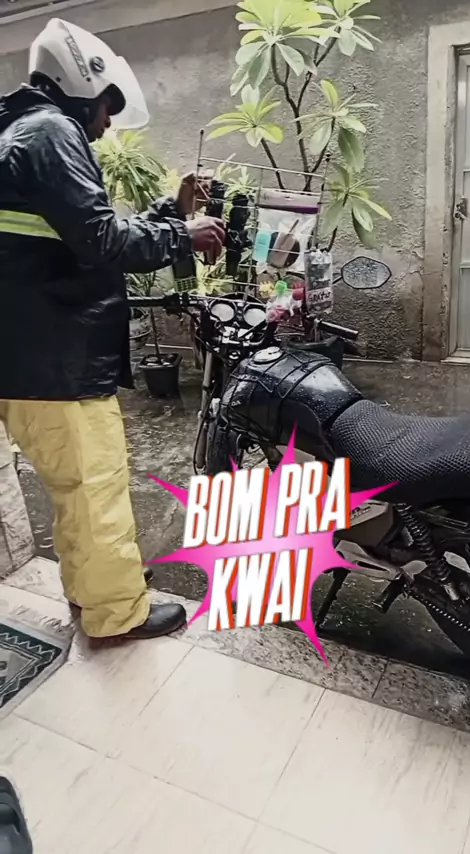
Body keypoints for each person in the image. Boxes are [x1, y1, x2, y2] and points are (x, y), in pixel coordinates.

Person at [0, 18, 225, 640]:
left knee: (75, 487)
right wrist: (184, 234)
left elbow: (78, 233)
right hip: (56, 357)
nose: (107, 124)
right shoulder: (51, 133)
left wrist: (171, 210)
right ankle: (116, 612)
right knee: (95, 487)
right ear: (83, 88)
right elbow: (101, 240)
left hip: (31, 353)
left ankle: (89, 590)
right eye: (107, 107)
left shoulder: (20, 132)